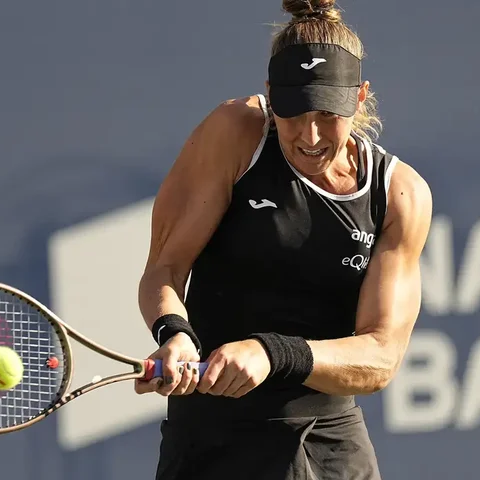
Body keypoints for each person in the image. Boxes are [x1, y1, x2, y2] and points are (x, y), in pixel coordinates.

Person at [135, 0, 433, 478]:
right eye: (292, 112)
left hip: (330, 450)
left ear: (359, 98)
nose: (310, 136)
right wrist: (175, 333)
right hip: (210, 444)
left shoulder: (399, 194)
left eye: (327, 113)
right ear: (271, 95)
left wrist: (271, 353)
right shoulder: (236, 132)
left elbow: (381, 356)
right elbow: (164, 270)